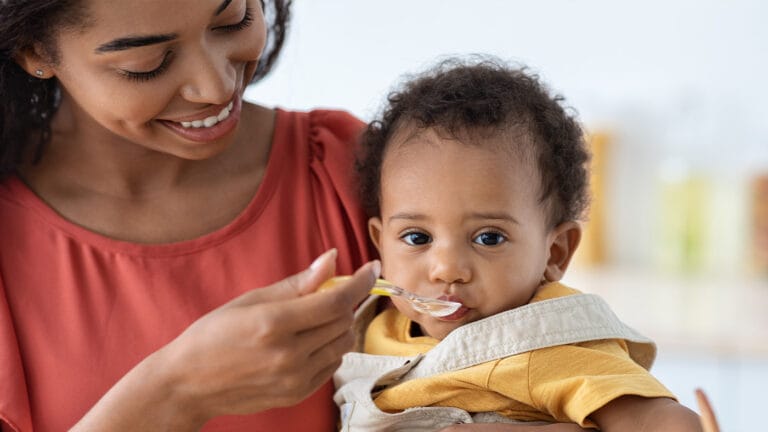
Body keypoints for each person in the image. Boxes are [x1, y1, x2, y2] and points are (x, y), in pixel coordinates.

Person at [0, 1, 383, 430]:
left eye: (235, 20)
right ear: (34, 53)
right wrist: (174, 393)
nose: (216, 87)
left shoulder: (351, 171)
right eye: (146, 64)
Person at [333, 58, 704, 431]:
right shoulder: (373, 329)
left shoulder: (543, 345)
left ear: (555, 252)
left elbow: (659, 422)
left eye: (488, 238)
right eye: (417, 238)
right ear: (380, 244)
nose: (446, 268)